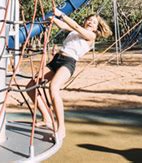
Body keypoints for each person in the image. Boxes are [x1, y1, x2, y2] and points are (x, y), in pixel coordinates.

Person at [27, 8, 112, 140]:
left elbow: (75, 25)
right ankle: (47, 118)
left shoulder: (91, 36)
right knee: (31, 86)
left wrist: (61, 14)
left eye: (94, 22)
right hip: (56, 60)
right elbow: (64, 25)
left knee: (53, 88)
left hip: (68, 63)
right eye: (89, 20)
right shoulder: (74, 32)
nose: (90, 22)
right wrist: (53, 19)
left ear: (96, 28)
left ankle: (61, 128)